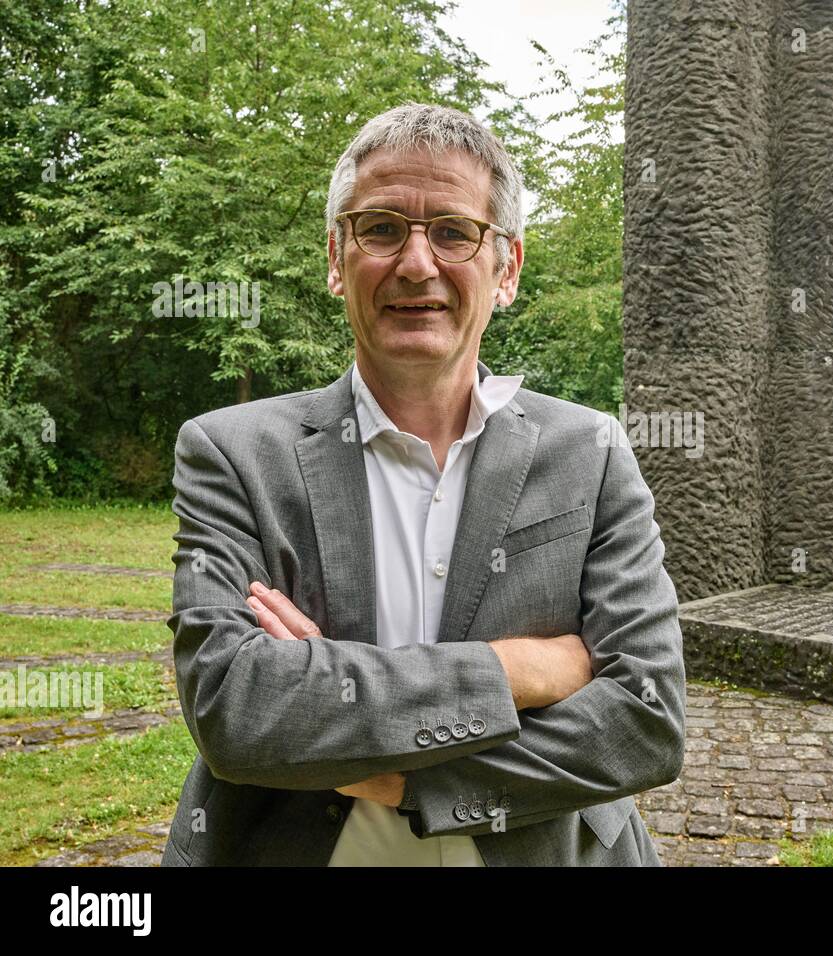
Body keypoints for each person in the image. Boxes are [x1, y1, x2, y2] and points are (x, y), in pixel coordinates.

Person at [160, 102, 686, 866]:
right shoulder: (232, 452)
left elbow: (645, 721)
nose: (416, 263)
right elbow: (236, 709)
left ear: (506, 267)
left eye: (452, 231)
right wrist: (525, 669)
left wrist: (396, 775)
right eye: (380, 228)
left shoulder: (592, 452)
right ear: (337, 257)